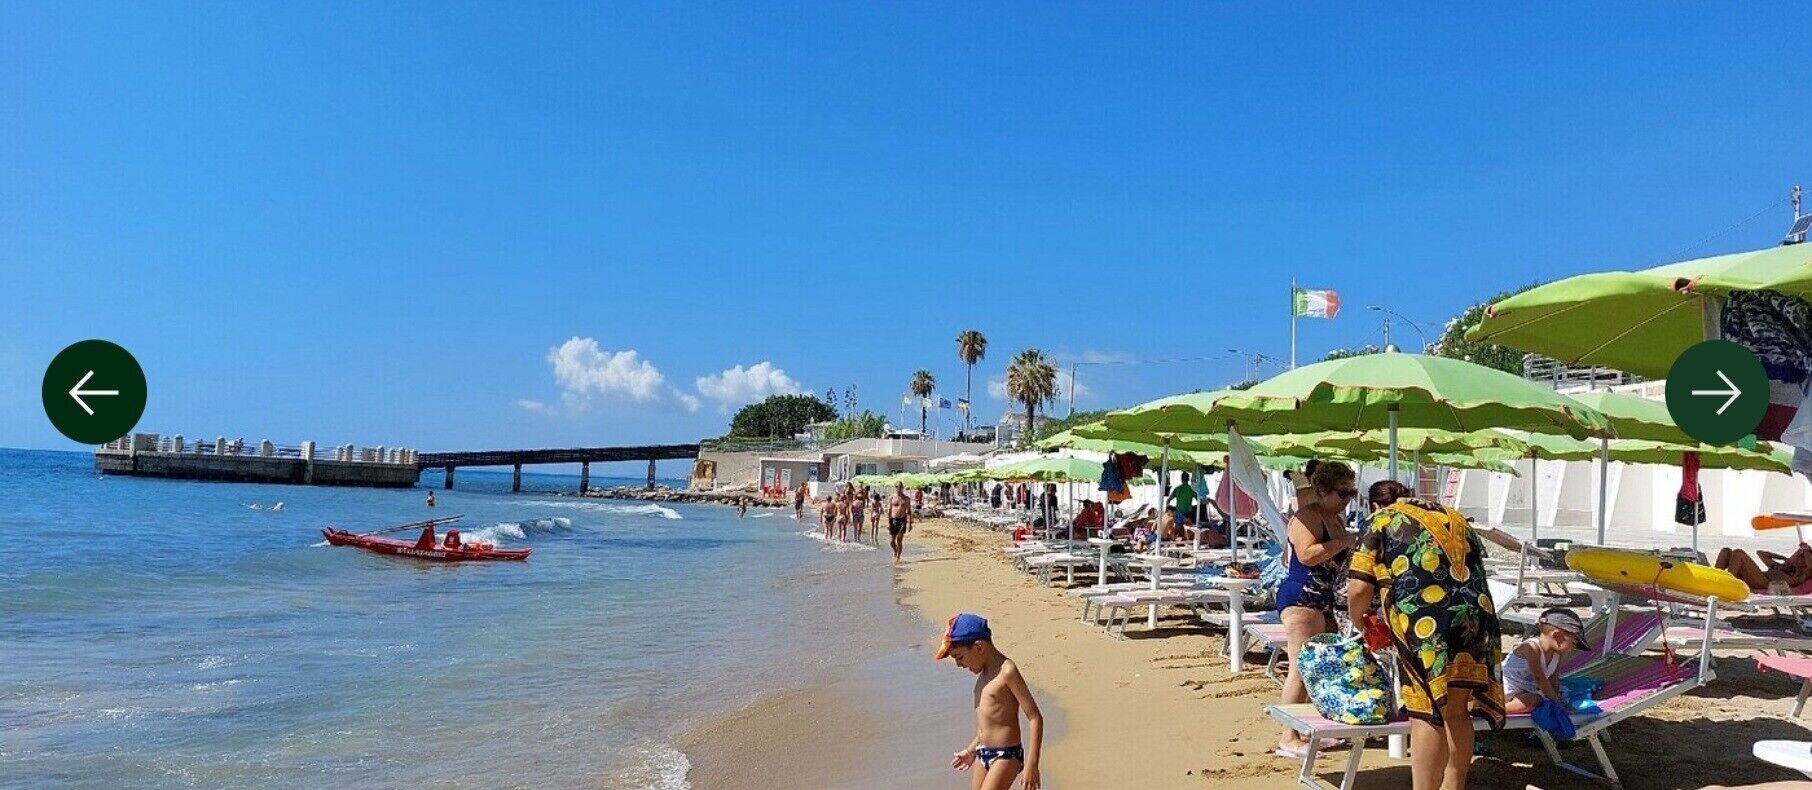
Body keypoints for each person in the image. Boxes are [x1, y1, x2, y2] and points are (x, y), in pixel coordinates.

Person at [1347, 479, 1504, 790]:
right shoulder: (1455, 517)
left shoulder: (1380, 520)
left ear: (1376, 504)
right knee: (1457, 711)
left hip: (1425, 623)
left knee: (1426, 711)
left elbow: (1359, 587)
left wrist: (1359, 621)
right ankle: (1453, 785)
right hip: (1475, 619)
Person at [1274, 461, 1359, 759]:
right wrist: (1345, 541)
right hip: (1302, 595)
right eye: (1342, 492)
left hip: (1321, 598)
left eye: (1353, 493)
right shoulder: (1307, 517)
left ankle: (1306, 728)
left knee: (1317, 668)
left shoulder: (1333, 517)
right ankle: (1288, 736)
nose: (1347, 499)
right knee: (1300, 666)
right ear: (1322, 490)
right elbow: (1307, 555)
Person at [937, 613, 1043, 790]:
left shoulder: (1007, 671)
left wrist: (1032, 765)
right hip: (982, 752)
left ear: (979, 647)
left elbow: (1035, 718)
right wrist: (971, 751)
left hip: (1006, 755)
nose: (959, 665)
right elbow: (988, 725)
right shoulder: (983, 676)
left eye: (959, 657)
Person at [1502, 608, 1590, 715]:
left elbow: (1553, 678)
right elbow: (1540, 678)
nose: (1573, 648)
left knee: (1534, 701)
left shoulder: (1557, 654)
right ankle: (1494, 709)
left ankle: (1500, 707)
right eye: (1573, 643)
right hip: (1501, 688)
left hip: (1521, 693)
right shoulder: (1531, 647)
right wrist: (1557, 703)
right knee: (1534, 700)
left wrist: (1557, 697)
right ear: (1557, 636)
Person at [1715, 544, 1812, 592]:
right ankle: (1714, 580)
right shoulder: (1782, 567)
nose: (1798, 557)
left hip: (1764, 582)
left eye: (1801, 556)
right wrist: (1783, 558)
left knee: (1738, 553)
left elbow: (1810, 567)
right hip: (1756, 577)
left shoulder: (1801, 574)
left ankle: (1726, 585)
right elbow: (1760, 553)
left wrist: (1806, 550)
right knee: (1726, 551)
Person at [888, 483, 913, 565]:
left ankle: (898, 557)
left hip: (902, 520)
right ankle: (895, 551)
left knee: (899, 540)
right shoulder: (892, 497)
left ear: (902, 487)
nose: (898, 488)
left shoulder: (906, 498)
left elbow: (909, 511)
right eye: (896, 486)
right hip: (893, 520)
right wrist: (889, 522)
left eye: (900, 487)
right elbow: (889, 510)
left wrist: (910, 524)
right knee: (891, 542)